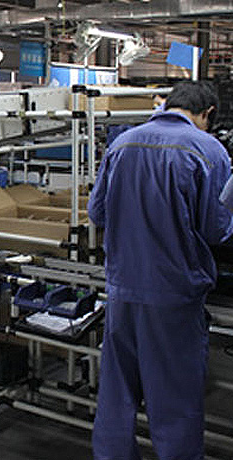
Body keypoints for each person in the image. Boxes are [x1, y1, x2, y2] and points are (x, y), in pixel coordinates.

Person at [89, 81, 233, 459]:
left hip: (122, 289)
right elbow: (216, 230)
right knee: (175, 396)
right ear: (207, 114)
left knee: (117, 390)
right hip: (174, 293)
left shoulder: (122, 144)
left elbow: (96, 213)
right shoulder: (208, 150)